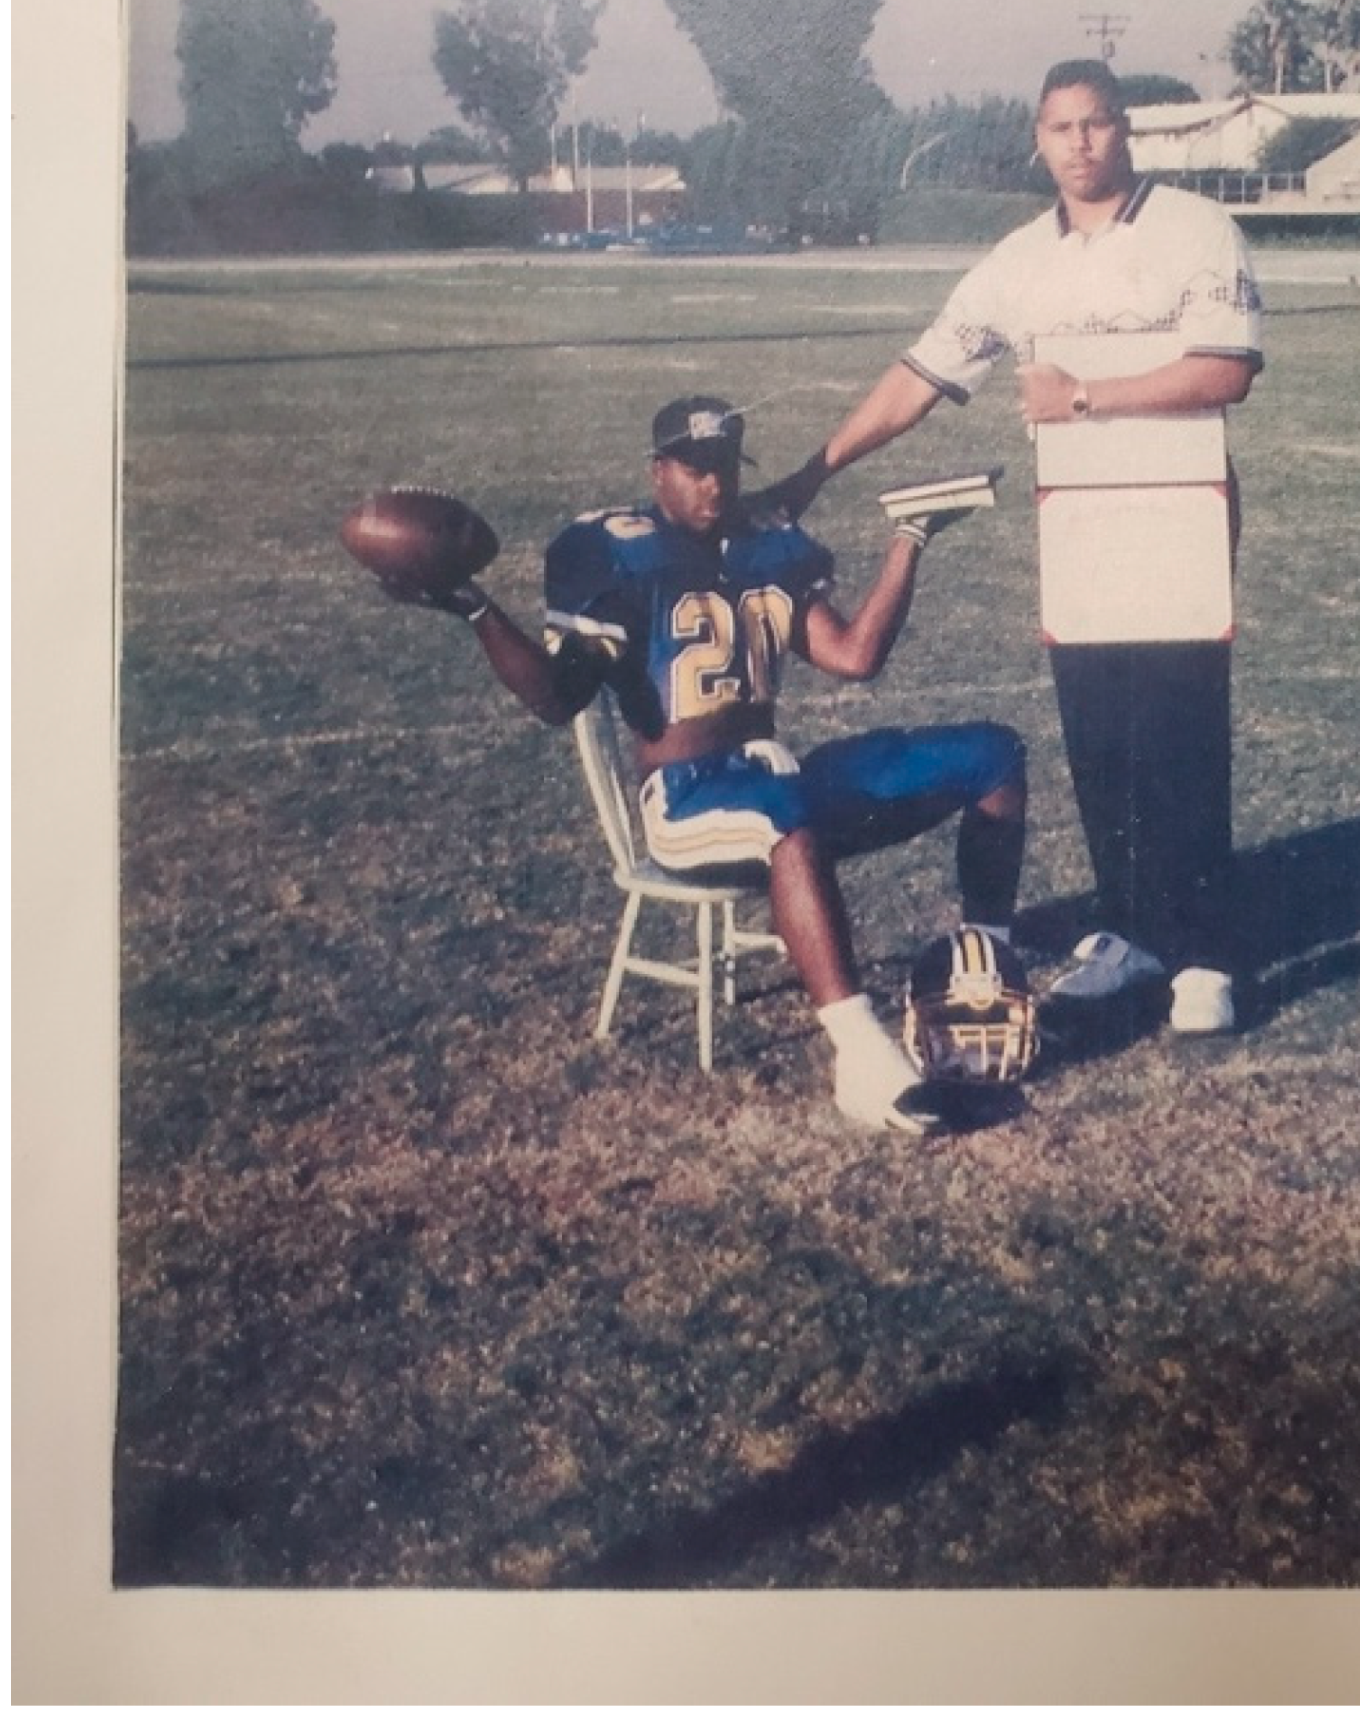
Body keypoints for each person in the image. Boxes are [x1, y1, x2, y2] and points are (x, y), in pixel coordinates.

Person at [769, 59, 1264, 1037]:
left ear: (1125, 131)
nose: (1080, 143)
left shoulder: (1196, 229)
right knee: (1102, 737)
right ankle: (1131, 929)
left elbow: (1227, 370)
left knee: (1179, 734)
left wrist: (1084, 396)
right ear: (1037, 141)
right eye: (1059, 128)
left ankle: (1205, 953)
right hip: (1078, 519)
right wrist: (814, 469)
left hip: (1177, 509)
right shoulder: (1016, 260)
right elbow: (920, 374)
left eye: (1096, 124)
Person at [390, 395, 1027, 1137]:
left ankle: (991, 963)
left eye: (724, 468)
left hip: (775, 778)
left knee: (991, 753)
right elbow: (557, 698)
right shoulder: (613, 550)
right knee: (780, 813)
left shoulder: (764, 545)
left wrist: (908, 539)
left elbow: (854, 656)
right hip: (689, 801)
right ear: (658, 470)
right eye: (694, 470)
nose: (713, 487)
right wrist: (475, 607)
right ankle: (861, 1058)